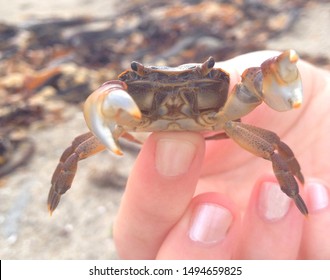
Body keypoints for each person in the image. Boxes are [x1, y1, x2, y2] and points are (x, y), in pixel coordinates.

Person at [113, 51, 330, 259]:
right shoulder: (119, 104)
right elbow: (104, 105)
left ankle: (297, 195)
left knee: (273, 147)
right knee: (77, 151)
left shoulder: (231, 116)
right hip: (150, 120)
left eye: (204, 73)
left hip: (218, 119)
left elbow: (253, 95)